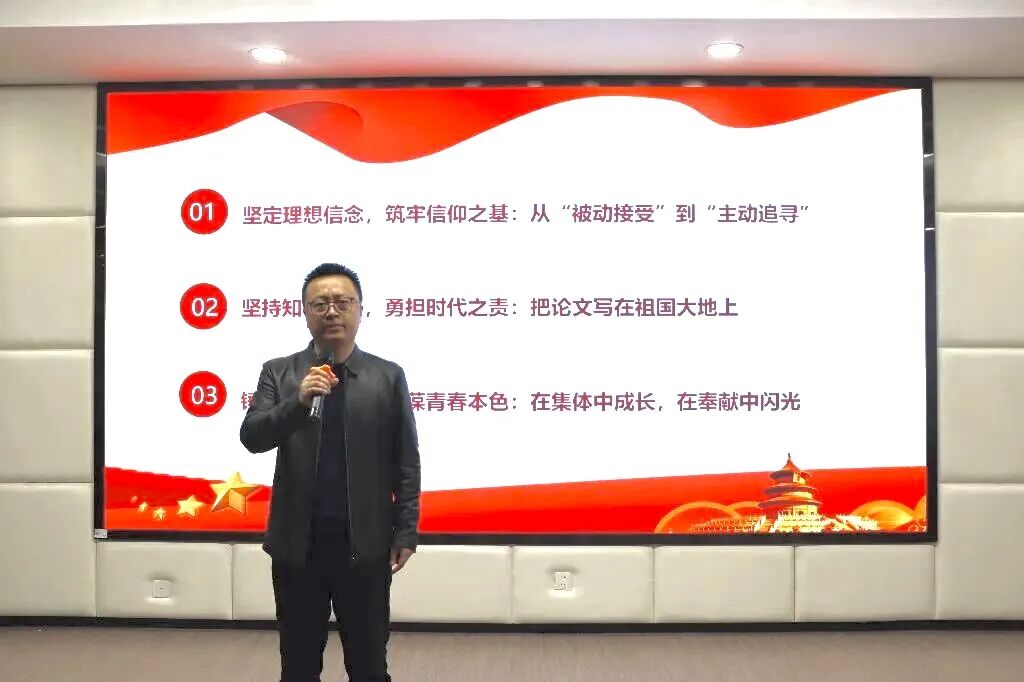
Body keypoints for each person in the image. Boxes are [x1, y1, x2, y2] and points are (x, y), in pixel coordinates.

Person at [240, 262, 421, 682]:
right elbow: (253, 437)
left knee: (369, 665)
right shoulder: (279, 372)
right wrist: (298, 401)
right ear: (305, 313)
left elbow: (406, 461)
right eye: (320, 304)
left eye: (342, 302)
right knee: (299, 664)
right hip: (297, 546)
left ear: (361, 310)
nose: (332, 311)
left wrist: (406, 531)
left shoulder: (387, 376)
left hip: (365, 546)